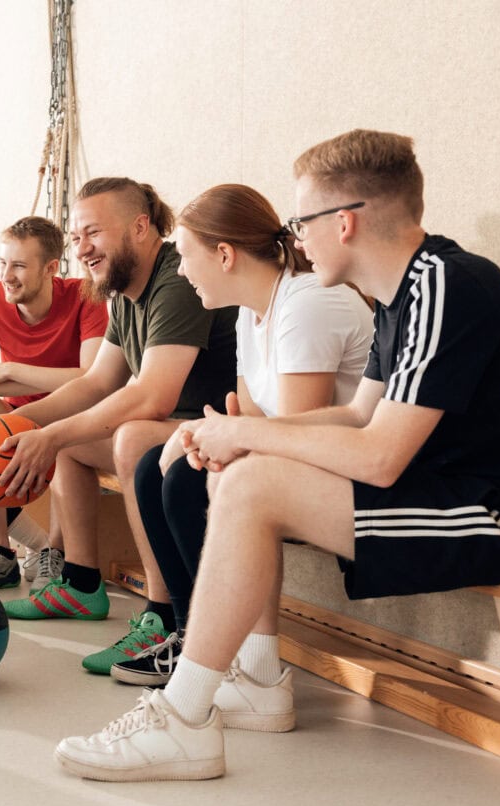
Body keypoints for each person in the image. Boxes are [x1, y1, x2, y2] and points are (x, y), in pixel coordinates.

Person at [56, 129, 500, 782]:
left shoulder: (447, 284)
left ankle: (184, 717)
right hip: (437, 491)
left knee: (249, 482)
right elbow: (360, 416)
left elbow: (382, 457)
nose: (294, 237)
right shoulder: (403, 296)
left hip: (492, 512)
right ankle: (243, 677)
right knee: (245, 476)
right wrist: (240, 437)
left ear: (347, 222)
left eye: (303, 221)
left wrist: (246, 436)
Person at [110, 183, 373, 687]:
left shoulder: (309, 303)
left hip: (337, 463)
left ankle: (225, 658)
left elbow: (299, 431)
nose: (182, 270)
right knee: (155, 466)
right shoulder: (252, 314)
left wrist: (226, 434)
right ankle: (192, 638)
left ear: (225, 255)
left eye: (186, 257)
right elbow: (246, 413)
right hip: (295, 453)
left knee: (188, 480)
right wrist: (204, 435)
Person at [0, 178, 238, 679]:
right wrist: (20, 424)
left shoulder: (176, 279)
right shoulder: (125, 291)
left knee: (127, 435)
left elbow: (153, 396)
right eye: (76, 236)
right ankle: (82, 582)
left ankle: (162, 613)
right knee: (73, 433)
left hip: (220, 429)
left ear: (141, 227)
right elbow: (98, 382)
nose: (81, 248)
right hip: (179, 431)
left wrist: (52, 434)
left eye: (93, 233)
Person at [0, 216, 110, 590]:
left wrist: (8, 369)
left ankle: (53, 552)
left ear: (51, 268)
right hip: (19, 415)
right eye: (3, 264)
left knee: (69, 419)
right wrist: (3, 377)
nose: (7, 276)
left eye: (19, 266)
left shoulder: (86, 294)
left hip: (73, 412)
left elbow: (92, 378)